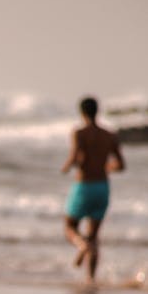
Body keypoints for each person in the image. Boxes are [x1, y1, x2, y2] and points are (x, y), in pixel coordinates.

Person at [61, 96, 125, 280]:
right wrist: (106, 167)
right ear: (97, 111)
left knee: (69, 226)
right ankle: (90, 279)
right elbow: (120, 165)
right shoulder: (110, 135)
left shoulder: (79, 133)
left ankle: (81, 246)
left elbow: (74, 157)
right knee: (94, 235)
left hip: (84, 186)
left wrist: (65, 167)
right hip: (102, 188)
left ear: (82, 112)